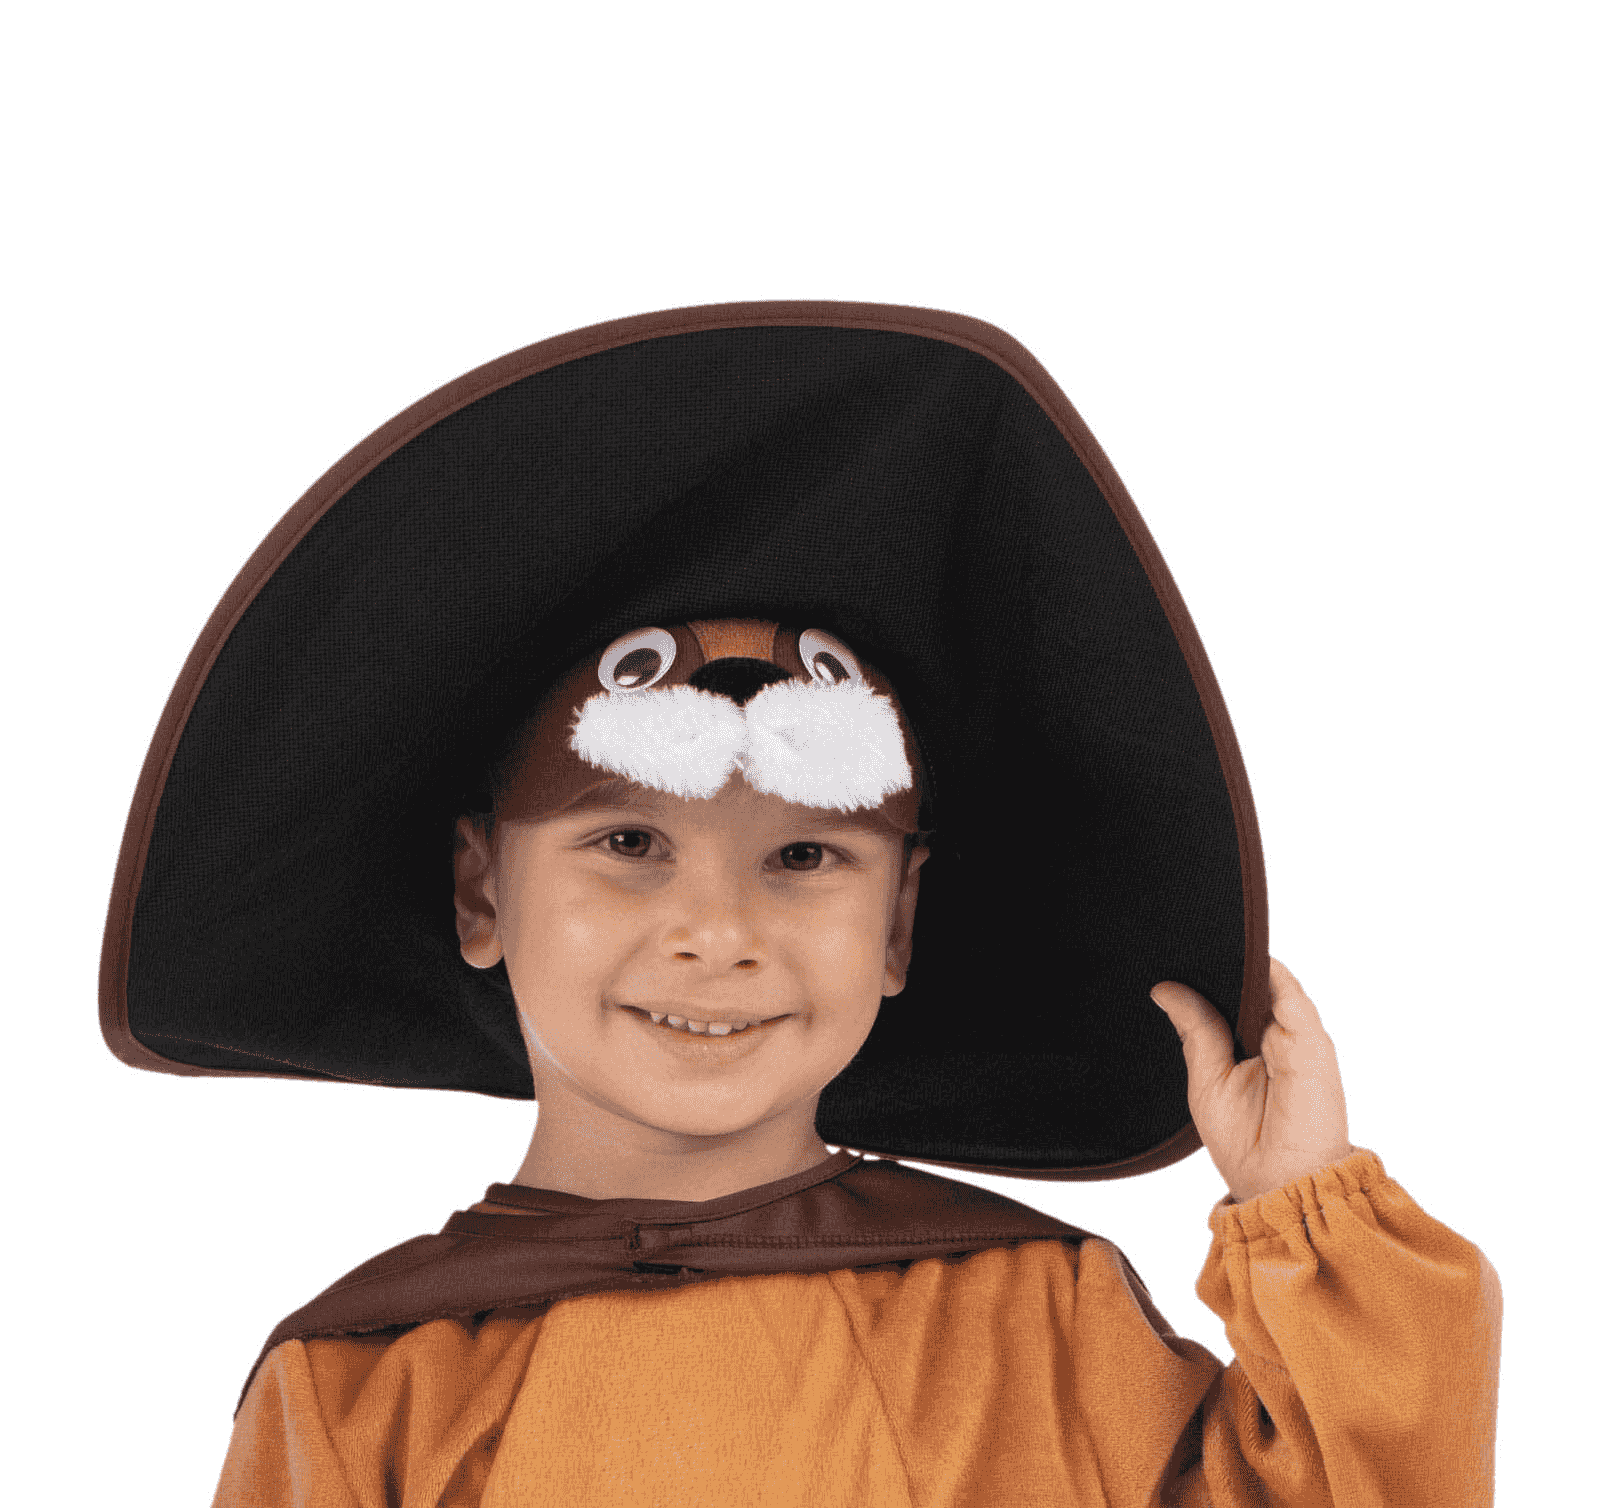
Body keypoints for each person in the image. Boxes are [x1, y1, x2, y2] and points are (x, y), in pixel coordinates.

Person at [99, 300, 1502, 1505]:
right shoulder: (363, 1385)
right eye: (631, 840)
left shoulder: (1038, 1324)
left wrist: (1305, 1213)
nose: (719, 933)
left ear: (897, 924)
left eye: (805, 859)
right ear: (483, 890)